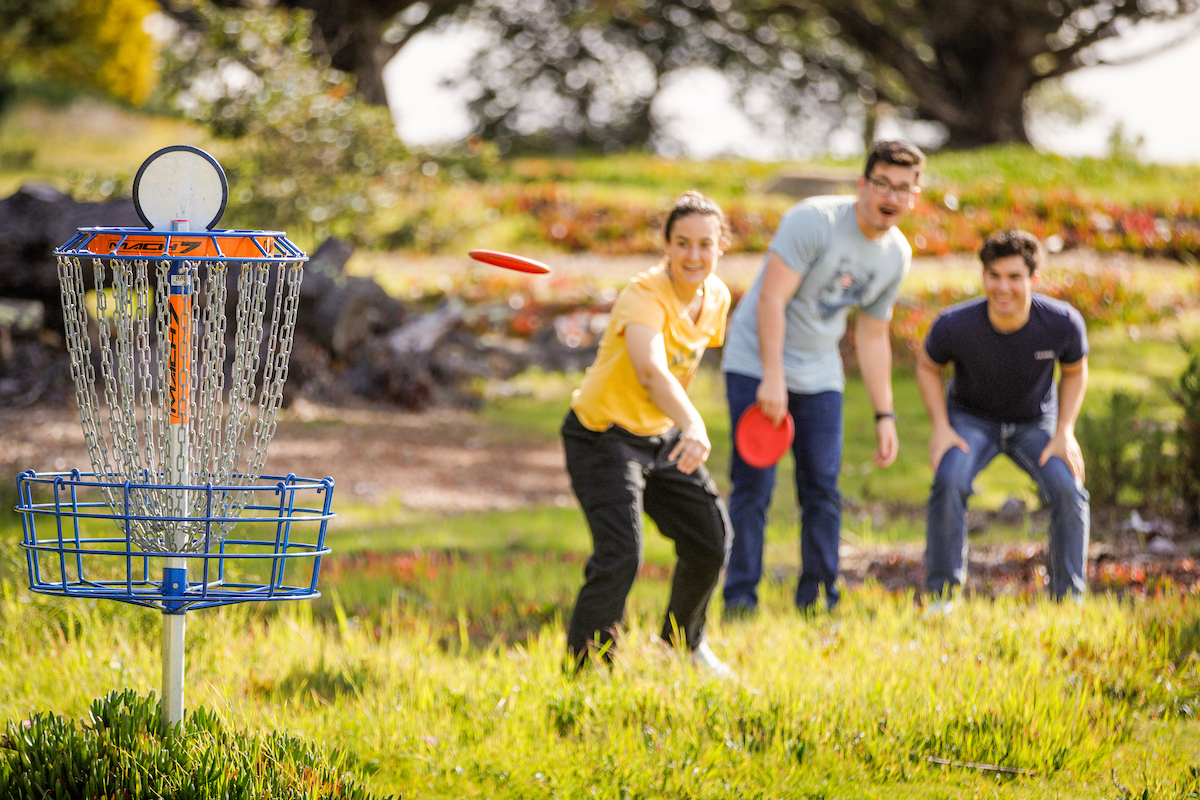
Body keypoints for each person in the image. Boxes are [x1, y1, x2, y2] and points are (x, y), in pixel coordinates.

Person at [721, 140, 925, 615]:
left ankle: (818, 601)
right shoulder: (814, 221)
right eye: (882, 184)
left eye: (903, 188)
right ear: (862, 184)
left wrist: (885, 413)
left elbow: (873, 335)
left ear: (915, 196)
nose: (890, 196)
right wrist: (772, 379)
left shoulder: (896, 254)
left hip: (819, 371)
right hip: (755, 361)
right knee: (754, 486)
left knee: (823, 488)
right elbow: (772, 299)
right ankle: (740, 601)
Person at [562, 191, 734, 673]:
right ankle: (587, 674)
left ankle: (682, 645)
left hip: (659, 436)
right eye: (682, 243)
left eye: (705, 244)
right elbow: (651, 371)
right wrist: (693, 422)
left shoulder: (715, 295)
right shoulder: (643, 294)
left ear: (721, 247)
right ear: (666, 245)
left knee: (709, 539)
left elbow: (680, 369)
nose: (694, 255)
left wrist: (678, 424)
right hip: (603, 436)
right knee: (621, 554)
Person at [918, 229, 1090, 602]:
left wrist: (1066, 431)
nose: (1003, 287)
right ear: (983, 277)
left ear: (1033, 279)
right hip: (970, 421)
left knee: (1067, 487)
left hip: (1035, 422)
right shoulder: (955, 324)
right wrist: (941, 428)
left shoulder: (1062, 323)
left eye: (1014, 277)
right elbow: (928, 366)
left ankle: (1068, 599)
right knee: (948, 481)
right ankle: (942, 597)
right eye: (994, 276)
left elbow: (1075, 371)